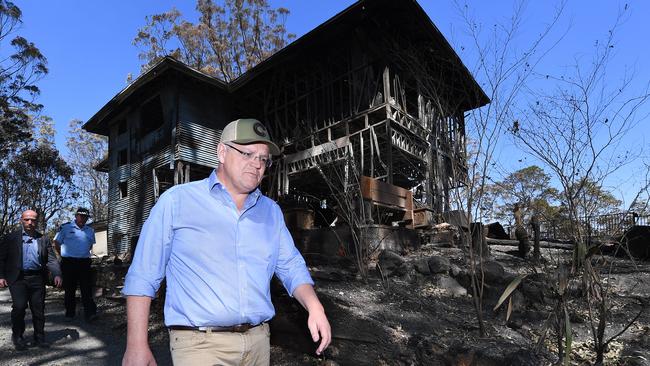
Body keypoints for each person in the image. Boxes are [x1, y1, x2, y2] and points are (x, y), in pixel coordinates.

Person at [122, 118, 331, 365]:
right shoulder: (177, 202)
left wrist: (314, 306)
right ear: (222, 152)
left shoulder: (270, 212)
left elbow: (290, 265)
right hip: (201, 346)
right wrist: (136, 344)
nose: (257, 164)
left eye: (263, 159)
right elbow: (144, 274)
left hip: (258, 343)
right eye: (247, 153)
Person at [0, 210, 62, 350]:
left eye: (33, 220)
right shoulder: (11, 238)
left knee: (38, 308)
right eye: (27, 219)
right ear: (21, 220)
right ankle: (18, 337)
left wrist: (57, 274)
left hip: (37, 278)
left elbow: (51, 259)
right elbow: (1, 258)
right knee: (19, 307)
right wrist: (1, 276)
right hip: (17, 278)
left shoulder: (43, 239)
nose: (30, 222)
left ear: (37, 221)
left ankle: (39, 337)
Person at [53, 207, 97, 322]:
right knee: (69, 289)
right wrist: (62, 255)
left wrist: (84, 254)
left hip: (84, 263)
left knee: (86, 289)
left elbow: (90, 245)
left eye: (85, 217)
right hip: (69, 262)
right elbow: (57, 243)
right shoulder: (66, 228)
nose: (83, 218)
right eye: (81, 216)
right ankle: (70, 313)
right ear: (76, 216)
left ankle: (90, 313)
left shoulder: (90, 231)